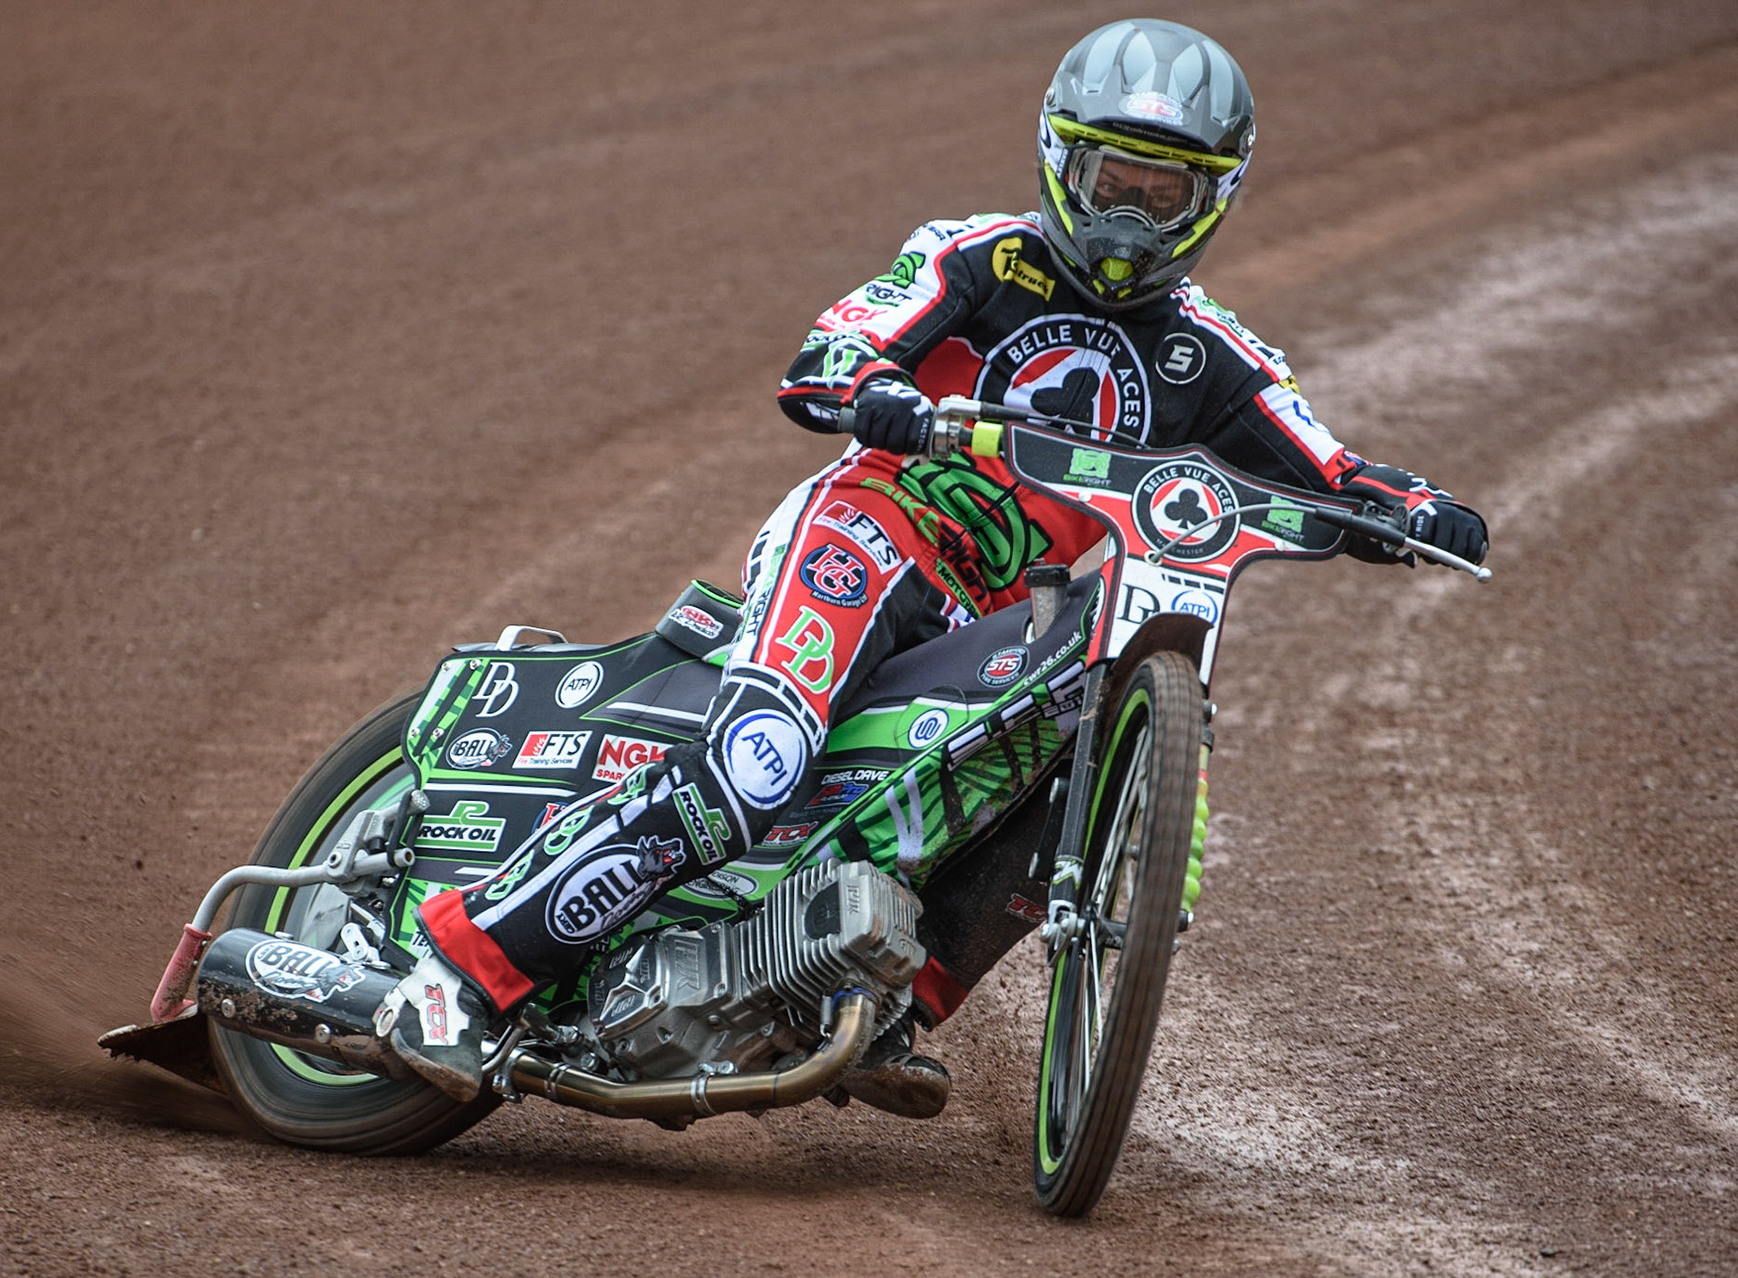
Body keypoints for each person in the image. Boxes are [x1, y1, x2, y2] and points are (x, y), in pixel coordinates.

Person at [377, 17, 1488, 1118]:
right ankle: (461, 971)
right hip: (869, 535)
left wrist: (1416, 508)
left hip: (988, 623)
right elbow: (839, 349)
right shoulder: (976, 257)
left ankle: (881, 1007)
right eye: (1111, 179)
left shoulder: (1217, 355)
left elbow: (1331, 469)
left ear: (1214, 199)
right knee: (757, 761)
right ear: (1061, 160)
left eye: (1163, 193)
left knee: (1065, 777)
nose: (1127, 216)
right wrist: (875, 391)